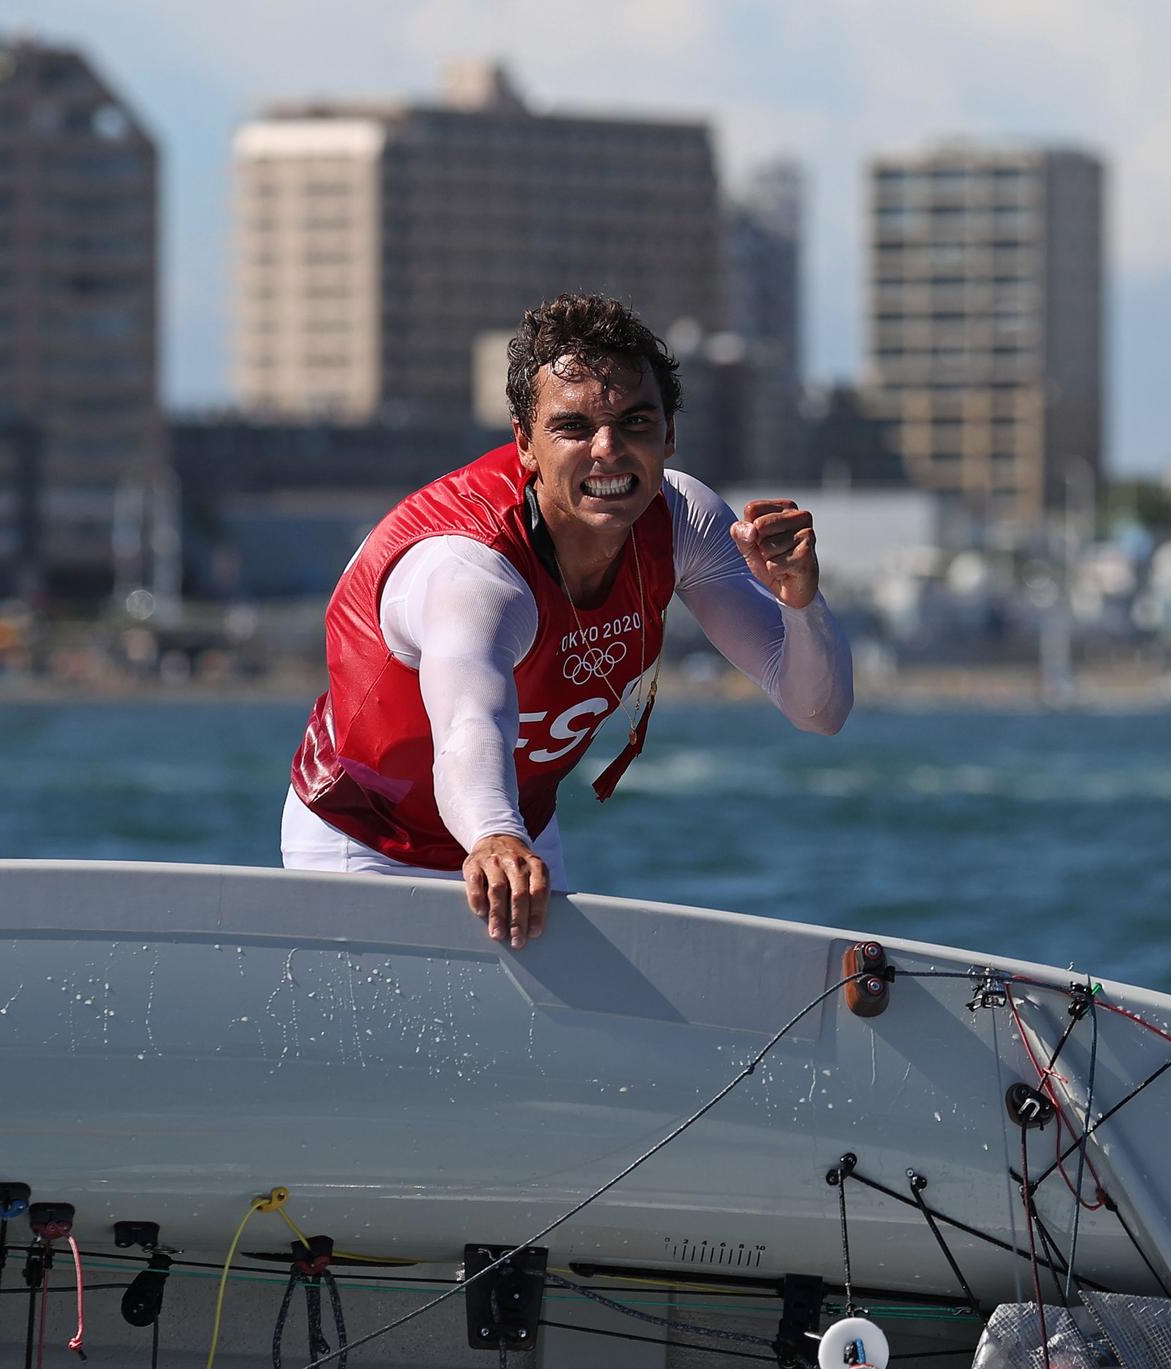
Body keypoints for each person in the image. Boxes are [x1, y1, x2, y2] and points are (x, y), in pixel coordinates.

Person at [284, 293, 852, 946]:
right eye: (574, 427)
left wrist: (802, 604)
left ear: (669, 435)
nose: (608, 451)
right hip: (366, 831)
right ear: (524, 442)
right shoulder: (472, 574)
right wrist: (495, 836)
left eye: (636, 423)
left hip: (517, 828)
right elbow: (470, 724)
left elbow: (819, 709)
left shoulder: (683, 520)